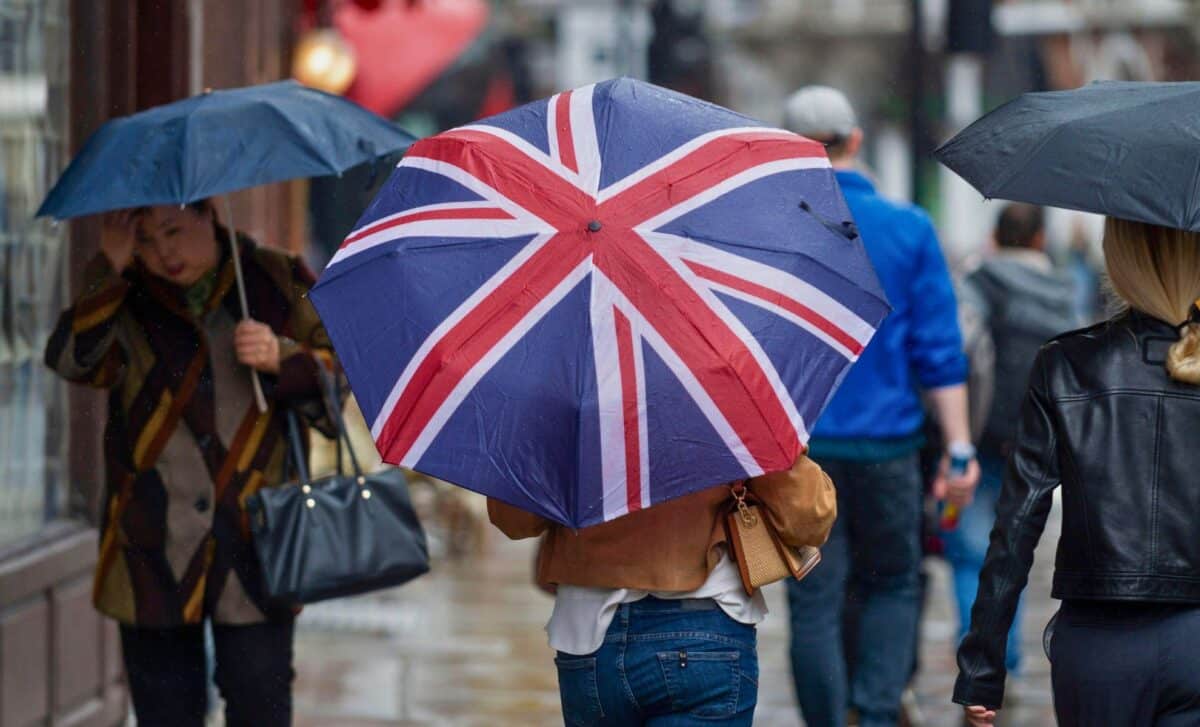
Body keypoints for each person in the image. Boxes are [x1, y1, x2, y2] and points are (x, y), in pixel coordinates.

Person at [45, 202, 338, 727]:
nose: (164, 252)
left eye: (174, 231)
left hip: (258, 546)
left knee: (261, 707)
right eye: (147, 240)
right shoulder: (124, 293)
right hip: (151, 547)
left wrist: (283, 357)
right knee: (164, 713)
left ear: (210, 215)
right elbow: (72, 361)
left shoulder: (275, 276)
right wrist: (107, 269)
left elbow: (341, 382)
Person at [782, 85, 979, 727]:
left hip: (802, 453)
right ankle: (874, 709)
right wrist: (958, 446)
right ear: (856, 140)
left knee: (813, 598)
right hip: (890, 448)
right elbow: (940, 353)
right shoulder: (909, 228)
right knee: (893, 583)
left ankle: (825, 718)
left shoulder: (772, 231)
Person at [956, 217, 1200, 727]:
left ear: (1119, 257)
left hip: (1100, 644)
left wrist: (983, 663)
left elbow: (1018, 523)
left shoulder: (1068, 363)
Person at [488, 454, 837, 726]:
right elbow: (807, 518)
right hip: (707, 630)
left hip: (589, 639)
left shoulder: (564, 394)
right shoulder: (724, 390)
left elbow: (514, 519)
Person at [944, 203, 1077, 676]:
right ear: (1041, 239)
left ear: (997, 237)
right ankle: (1006, 661)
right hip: (1036, 438)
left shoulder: (979, 283)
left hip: (980, 434)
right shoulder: (1066, 292)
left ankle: (976, 659)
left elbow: (958, 350)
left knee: (968, 553)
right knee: (1014, 548)